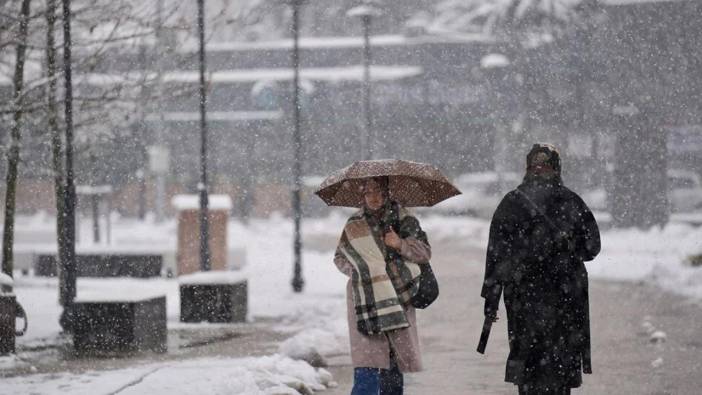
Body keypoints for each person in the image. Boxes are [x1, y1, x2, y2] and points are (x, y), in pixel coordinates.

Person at [481, 143, 601, 395]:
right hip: (563, 301)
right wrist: (566, 250)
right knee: (557, 373)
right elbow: (591, 248)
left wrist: (491, 299)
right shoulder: (571, 201)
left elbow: (495, 256)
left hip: (525, 300)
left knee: (530, 370)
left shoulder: (512, 203)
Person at [334, 176, 431, 395]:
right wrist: (359, 272)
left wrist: (400, 244)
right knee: (366, 368)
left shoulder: (404, 219)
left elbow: (425, 253)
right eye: (368, 192)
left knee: (393, 368)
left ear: (387, 193)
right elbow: (339, 257)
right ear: (362, 195)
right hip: (364, 302)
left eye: (378, 191)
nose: (374, 197)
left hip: (397, 299)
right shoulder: (354, 224)